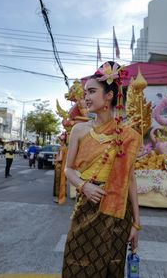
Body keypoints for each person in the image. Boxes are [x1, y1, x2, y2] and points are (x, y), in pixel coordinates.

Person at [62, 61, 142, 278]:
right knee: (76, 262)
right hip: (87, 206)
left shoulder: (128, 135)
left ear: (108, 95)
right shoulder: (79, 130)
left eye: (92, 91)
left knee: (111, 266)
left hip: (118, 212)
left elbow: (131, 180)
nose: (86, 97)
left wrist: (136, 223)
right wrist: (83, 186)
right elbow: (68, 170)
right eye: (85, 92)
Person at [53, 133, 68, 204]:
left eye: (59, 140)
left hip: (59, 167)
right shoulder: (65, 147)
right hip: (62, 167)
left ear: (62, 141)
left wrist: (55, 159)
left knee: (58, 182)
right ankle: (61, 196)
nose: (59, 142)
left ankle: (59, 198)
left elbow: (60, 158)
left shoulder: (62, 148)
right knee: (62, 182)